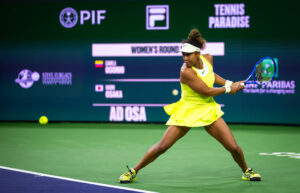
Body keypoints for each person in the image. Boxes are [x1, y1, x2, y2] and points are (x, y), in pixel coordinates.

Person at [119, 28, 261, 183]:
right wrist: (229, 89)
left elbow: (211, 75)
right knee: (162, 147)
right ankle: (133, 171)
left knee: (233, 147)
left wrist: (229, 83)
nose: (185, 58)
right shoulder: (185, 72)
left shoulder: (208, 59)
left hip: (208, 110)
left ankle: (246, 171)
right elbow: (206, 91)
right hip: (188, 111)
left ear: (198, 54)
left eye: (188, 54)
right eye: (183, 54)